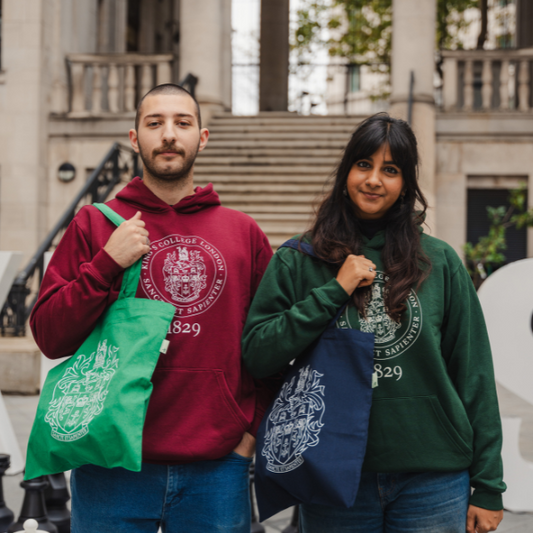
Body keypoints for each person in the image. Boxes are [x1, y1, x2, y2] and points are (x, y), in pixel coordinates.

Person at [242, 113, 506, 533]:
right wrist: (334, 291)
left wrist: (489, 483)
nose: (374, 180)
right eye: (363, 165)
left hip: (432, 479)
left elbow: (473, 372)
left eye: (391, 170)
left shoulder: (439, 262)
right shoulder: (298, 259)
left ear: (406, 183)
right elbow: (258, 354)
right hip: (333, 475)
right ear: (346, 170)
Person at [30, 83, 274, 533]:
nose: (168, 135)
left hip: (216, 467)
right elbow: (48, 334)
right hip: (111, 464)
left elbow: (271, 345)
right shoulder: (95, 223)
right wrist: (105, 264)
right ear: (134, 137)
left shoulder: (243, 233)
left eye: (182, 123)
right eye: (154, 123)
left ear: (202, 137)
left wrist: (249, 435)